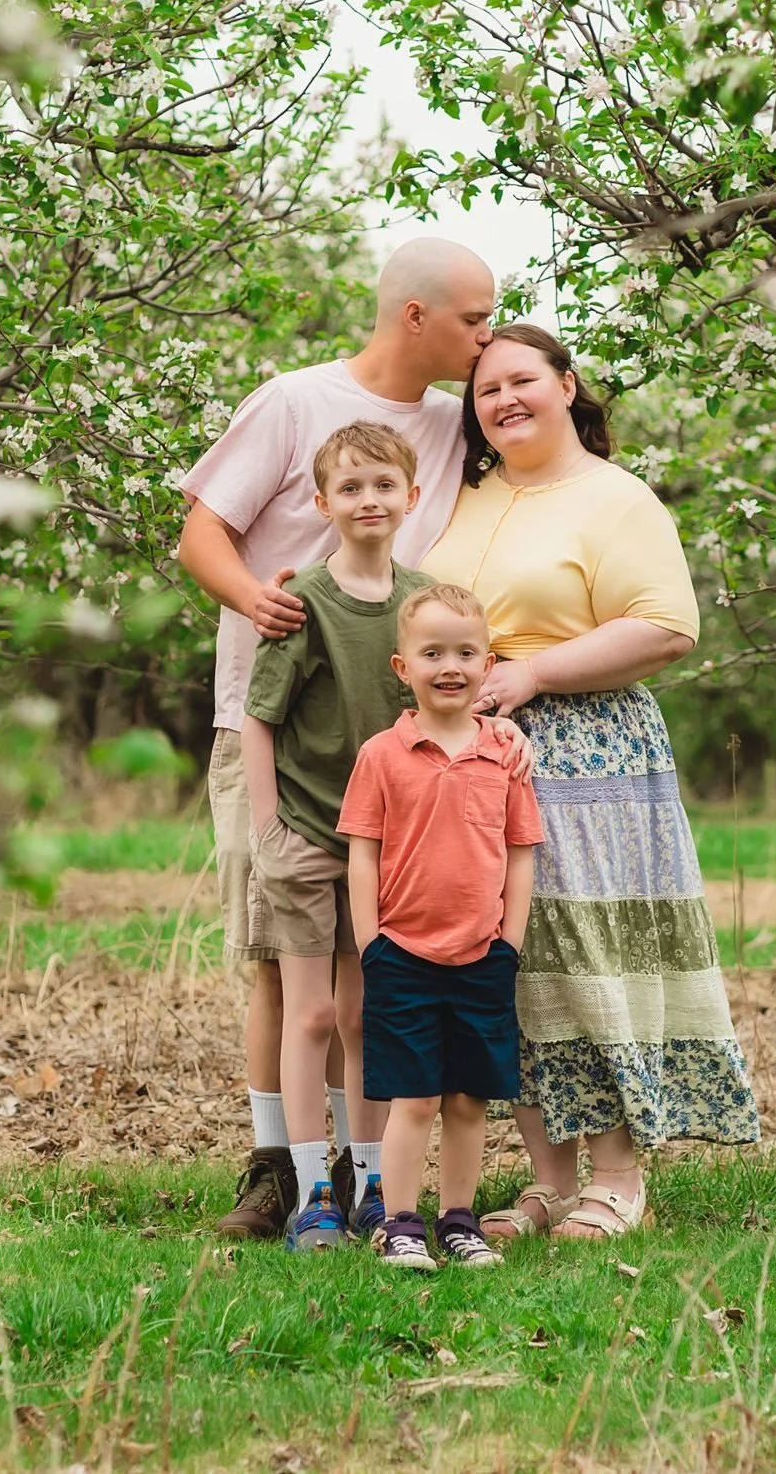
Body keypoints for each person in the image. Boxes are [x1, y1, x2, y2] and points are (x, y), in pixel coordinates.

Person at [176, 238, 492, 1241]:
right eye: (473, 319)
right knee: (279, 964)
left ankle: (358, 1176)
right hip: (270, 728)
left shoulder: (452, 425)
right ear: (415, 316)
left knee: (371, 977)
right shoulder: (293, 402)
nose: (485, 339)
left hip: (388, 750)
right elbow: (200, 531)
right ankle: (276, 1166)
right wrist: (254, 602)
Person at [420, 322, 760, 1242]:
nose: (503, 401)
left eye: (522, 379)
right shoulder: (467, 497)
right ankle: (547, 1178)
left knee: (587, 955)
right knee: (510, 964)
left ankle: (618, 1176)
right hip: (471, 753)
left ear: (568, 386)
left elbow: (667, 624)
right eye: (486, 390)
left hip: (586, 751)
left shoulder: (616, 499)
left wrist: (533, 673)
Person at [240, 422, 437, 1250]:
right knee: (311, 1013)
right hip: (307, 835)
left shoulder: (420, 603)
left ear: (410, 498)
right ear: (322, 503)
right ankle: (312, 1185)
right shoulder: (302, 603)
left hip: (381, 847)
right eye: (349, 488)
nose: (368, 500)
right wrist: (267, 830)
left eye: (383, 485)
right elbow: (259, 720)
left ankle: (371, 1181)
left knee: (364, 1014)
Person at [340, 583, 542, 1271]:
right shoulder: (382, 754)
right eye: (432, 652)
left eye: (464, 651)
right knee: (416, 1096)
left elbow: (520, 852)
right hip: (403, 954)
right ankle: (401, 1223)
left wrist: (509, 940)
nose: (449, 665)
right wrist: (372, 942)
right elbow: (362, 850)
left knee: (467, 1097)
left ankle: (459, 1219)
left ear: (489, 664)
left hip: (484, 955)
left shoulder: (506, 756)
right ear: (402, 666)